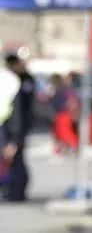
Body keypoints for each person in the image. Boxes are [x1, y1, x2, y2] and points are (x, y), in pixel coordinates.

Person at [1, 54, 35, 201]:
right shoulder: (12, 80)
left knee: (16, 161)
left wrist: (13, 140)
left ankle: (16, 193)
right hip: (9, 128)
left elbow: (17, 113)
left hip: (11, 129)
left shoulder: (14, 81)